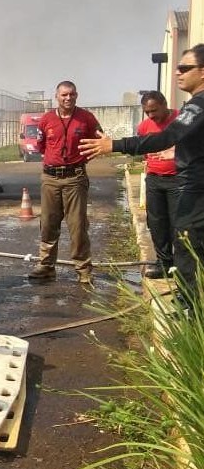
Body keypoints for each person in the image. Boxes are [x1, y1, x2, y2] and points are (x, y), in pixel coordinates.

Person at [79, 44, 204, 306]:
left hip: (195, 187)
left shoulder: (198, 105)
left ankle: (191, 308)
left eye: (185, 68)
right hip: (186, 182)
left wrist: (115, 145)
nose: (178, 73)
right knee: (172, 232)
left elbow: (168, 136)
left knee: (187, 242)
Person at [27, 81, 102, 285]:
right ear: (56, 96)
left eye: (72, 94)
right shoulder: (47, 119)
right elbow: (42, 145)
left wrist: (82, 160)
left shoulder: (86, 118)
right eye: (64, 95)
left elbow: (99, 143)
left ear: (76, 95)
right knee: (48, 223)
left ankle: (83, 269)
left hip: (75, 178)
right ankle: (46, 266)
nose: (68, 98)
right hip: (50, 178)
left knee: (77, 225)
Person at [137, 91, 179, 279]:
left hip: (178, 180)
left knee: (178, 224)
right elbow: (144, 152)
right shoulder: (144, 127)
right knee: (156, 223)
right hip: (154, 179)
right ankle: (164, 263)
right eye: (147, 112)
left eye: (154, 110)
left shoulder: (182, 119)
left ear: (165, 104)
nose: (151, 115)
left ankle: (182, 265)